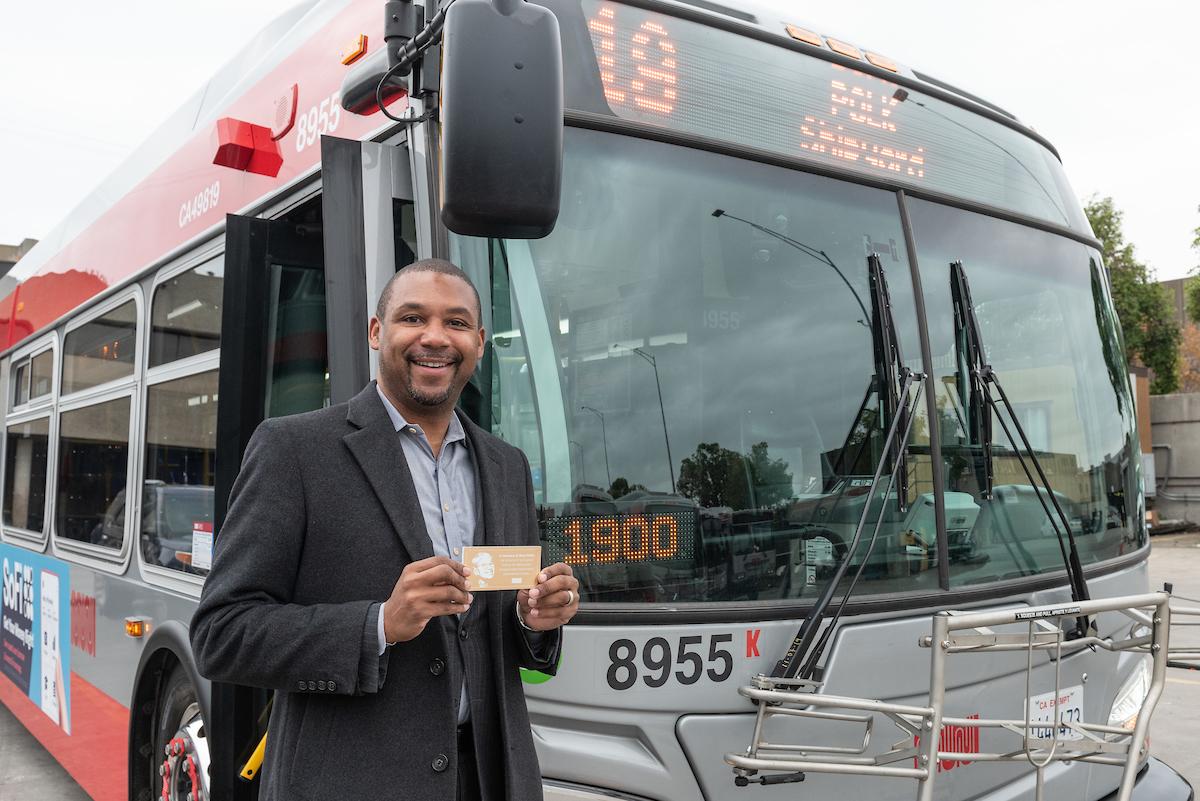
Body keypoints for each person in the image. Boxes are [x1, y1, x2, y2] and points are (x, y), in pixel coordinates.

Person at [191, 258, 579, 801]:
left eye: (457, 323)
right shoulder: (293, 450)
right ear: (378, 332)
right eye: (413, 318)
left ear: (480, 342)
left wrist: (532, 620)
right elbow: (221, 635)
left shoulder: (506, 466)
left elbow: (495, 634)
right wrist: (379, 626)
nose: (436, 338)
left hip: (490, 778)